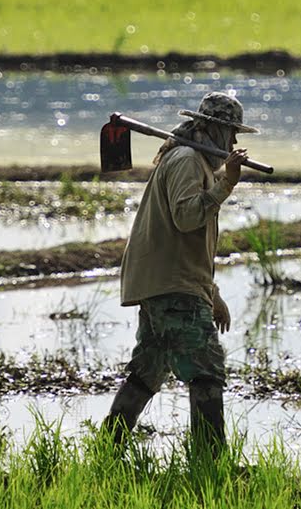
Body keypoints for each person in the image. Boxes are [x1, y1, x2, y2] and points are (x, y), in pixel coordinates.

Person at [103, 92, 257, 456]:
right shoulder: (187, 160)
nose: (233, 142)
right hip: (173, 287)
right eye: (231, 133)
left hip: (169, 282)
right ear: (213, 129)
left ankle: (107, 452)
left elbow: (187, 246)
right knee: (207, 370)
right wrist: (228, 183)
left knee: (148, 371)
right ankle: (210, 461)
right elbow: (187, 218)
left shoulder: (195, 161)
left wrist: (211, 293)